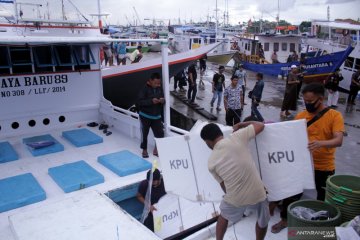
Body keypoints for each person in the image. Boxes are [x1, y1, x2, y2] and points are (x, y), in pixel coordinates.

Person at [270, 83, 345, 234]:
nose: (307, 104)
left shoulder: (334, 116)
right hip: (303, 164)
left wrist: (321, 143)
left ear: (321, 99)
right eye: (305, 101)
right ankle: (285, 219)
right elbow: (291, 136)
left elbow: (339, 140)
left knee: (323, 198)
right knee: (292, 192)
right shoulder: (301, 116)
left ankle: (320, 227)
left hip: (324, 166)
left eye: (311, 101)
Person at [200, 121, 269, 240]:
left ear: (208, 142)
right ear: (220, 133)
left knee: (223, 216)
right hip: (258, 192)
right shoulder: (237, 137)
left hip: (236, 198)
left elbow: (224, 187)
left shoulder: (211, 162)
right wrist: (242, 124)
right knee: (263, 218)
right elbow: (261, 126)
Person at [136, 73, 165, 158]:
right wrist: (151, 101)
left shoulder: (160, 88)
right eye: (155, 83)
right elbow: (139, 102)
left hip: (157, 116)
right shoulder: (144, 89)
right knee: (144, 134)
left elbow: (163, 97)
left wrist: (163, 101)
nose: (157, 85)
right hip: (145, 115)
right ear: (151, 80)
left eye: (158, 83)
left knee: (160, 134)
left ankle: (156, 150)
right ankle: (144, 150)